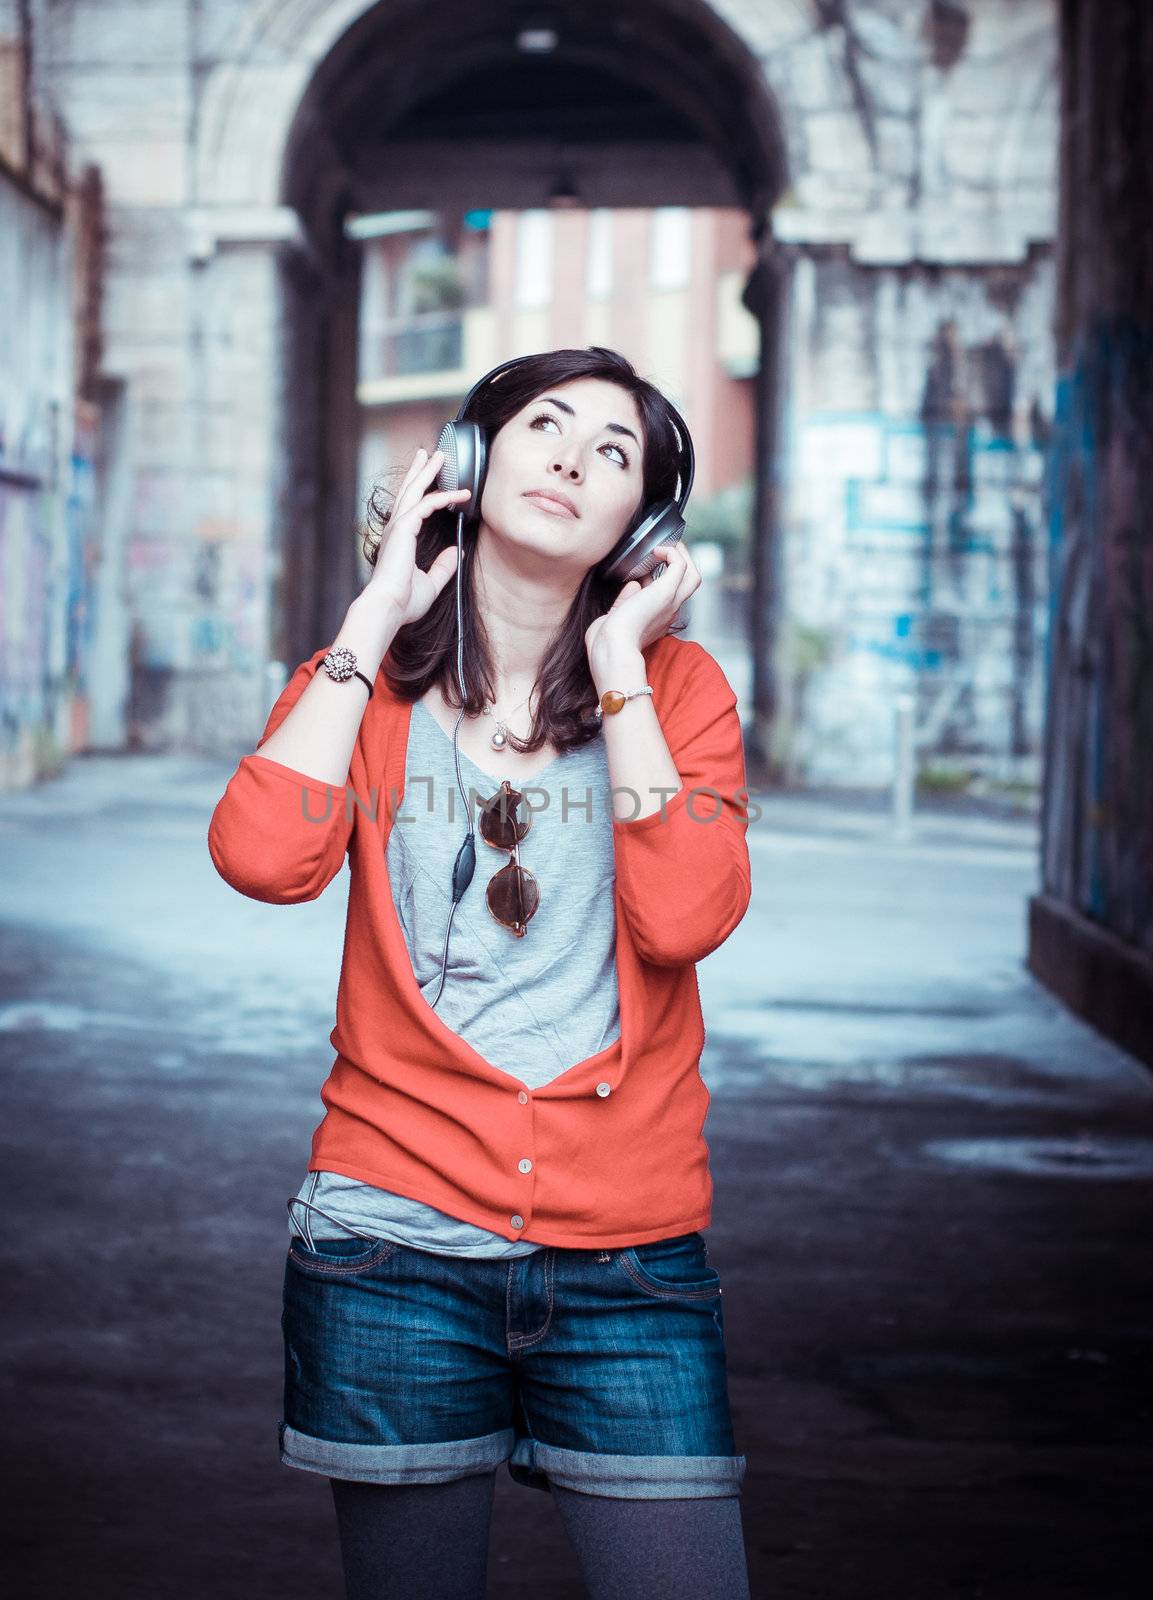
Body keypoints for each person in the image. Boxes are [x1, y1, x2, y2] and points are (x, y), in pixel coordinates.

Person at [208, 346, 755, 1599]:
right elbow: (261, 857)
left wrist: (620, 665)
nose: (570, 455)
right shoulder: (368, 690)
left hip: (628, 1264)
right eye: (544, 425)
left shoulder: (679, 691)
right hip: (388, 1247)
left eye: (612, 452)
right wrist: (372, 615)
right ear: (469, 461)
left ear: (643, 524)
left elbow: (682, 917)